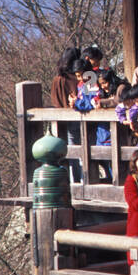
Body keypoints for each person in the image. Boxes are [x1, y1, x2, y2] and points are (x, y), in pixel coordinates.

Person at [51, 46, 82, 181]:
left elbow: (55, 100)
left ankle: (74, 181)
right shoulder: (79, 78)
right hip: (79, 117)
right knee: (80, 151)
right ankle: (80, 181)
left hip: (63, 121)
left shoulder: (58, 79)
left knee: (72, 152)